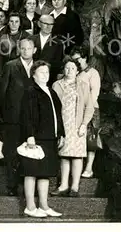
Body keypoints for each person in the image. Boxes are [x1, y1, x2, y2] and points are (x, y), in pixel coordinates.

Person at [20, 60, 64, 218]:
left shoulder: (52, 92)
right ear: (34, 75)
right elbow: (27, 116)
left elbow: (57, 115)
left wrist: (61, 134)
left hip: (50, 138)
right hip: (36, 138)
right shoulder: (30, 91)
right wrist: (30, 135)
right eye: (42, 72)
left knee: (44, 173)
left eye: (47, 72)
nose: (45, 75)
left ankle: (44, 206)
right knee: (31, 171)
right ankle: (30, 207)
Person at [51, 57, 94, 197]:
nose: (70, 71)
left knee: (77, 157)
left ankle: (74, 187)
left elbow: (89, 107)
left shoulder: (83, 85)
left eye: (73, 68)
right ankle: (63, 185)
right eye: (67, 68)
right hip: (62, 126)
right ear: (64, 69)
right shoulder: (57, 85)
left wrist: (84, 124)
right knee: (64, 155)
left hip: (77, 126)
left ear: (77, 71)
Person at [0, 38, 36, 196]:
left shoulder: (39, 67)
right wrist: (4, 117)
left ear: (34, 50)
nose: (26, 51)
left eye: (29, 48)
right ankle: (12, 186)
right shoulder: (11, 66)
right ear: (19, 49)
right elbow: (2, 93)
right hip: (13, 118)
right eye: (23, 48)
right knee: (12, 152)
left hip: (33, 118)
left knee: (30, 151)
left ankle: (29, 186)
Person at [71, 46, 102, 178]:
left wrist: (86, 109)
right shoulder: (75, 73)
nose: (76, 62)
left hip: (91, 109)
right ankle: (78, 167)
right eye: (73, 60)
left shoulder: (93, 73)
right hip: (76, 110)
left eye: (78, 59)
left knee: (91, 138)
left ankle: (89, 168)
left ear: (84, 58)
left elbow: (94, 94)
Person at [28, 15, 64, 85]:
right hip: (30, 78)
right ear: (39, 24)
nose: (48, 27)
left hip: (48, 80)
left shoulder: (58, 43)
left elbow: (57, 65)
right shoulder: (30, 39)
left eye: (51, 24)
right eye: (46, 24)